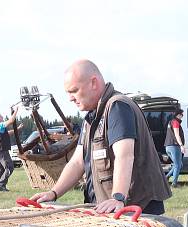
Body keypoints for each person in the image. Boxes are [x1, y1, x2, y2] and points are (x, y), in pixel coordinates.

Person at [31, 59, 171, 214]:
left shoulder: (117, 107)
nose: (70, 98)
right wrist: (53, 193)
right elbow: (77, 162)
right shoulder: (91, 117)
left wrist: (118, 198)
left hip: (135, 211)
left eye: (74, 91)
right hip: (110, 209)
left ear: (93, 83)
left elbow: (124, 155)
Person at [0, 107, 21, 191]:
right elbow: (11, 121)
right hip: (1, 150)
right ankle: (1, 185)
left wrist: (17, 129)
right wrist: (16, 111)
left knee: (1, 169)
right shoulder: (1, 125)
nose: (3, 119)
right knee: (9, 167)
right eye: (2, 117)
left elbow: (7, 133)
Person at [164, 108, 186, 187]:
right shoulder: (176, 122)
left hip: (168, 146)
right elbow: (177, 135)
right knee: (177, 165)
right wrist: (181, 145)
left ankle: (166, 178)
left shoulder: (170, 122)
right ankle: (174, 184)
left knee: (179, 164)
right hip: (174, 146)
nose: (182, 117)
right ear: (178, 114)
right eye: (182, 115)